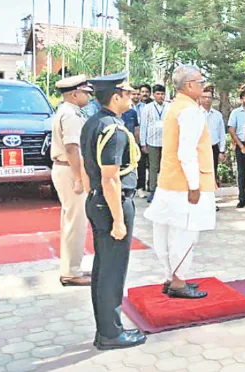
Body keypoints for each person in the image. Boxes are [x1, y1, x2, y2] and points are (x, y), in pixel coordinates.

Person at [80, 72, 145, 350]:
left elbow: (87, 166)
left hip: (98, 200)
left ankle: (105, 329)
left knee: (103, 269)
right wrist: (118, 219)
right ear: (116, 96)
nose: (132, 96)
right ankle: (111, 333)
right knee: (112, 272)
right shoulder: (113, 129)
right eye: (128, 93)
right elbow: (110, 177)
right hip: (112, 204)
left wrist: (93, 196)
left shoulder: (93, 122)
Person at [144, 64, 214, 299]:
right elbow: (187, 152)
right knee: (185, 233)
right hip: (185, 183)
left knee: (166, 231)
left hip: (169, 180)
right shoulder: (191, 111)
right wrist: (194, 186)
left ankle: (170, 277)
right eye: (201, 82)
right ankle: (177, 281)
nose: (203, 86)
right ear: (189, 85)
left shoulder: (176, 107)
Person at [51, 75, 93, 287]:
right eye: (85, 92)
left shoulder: (69, 111)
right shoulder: (71, 115)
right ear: (75, 93)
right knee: (76, 223)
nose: (88, 96)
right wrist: (79, 178)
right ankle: (71, 273)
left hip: (66, 169)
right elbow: (72, 148)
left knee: (72, 223)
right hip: (69, 171)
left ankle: (72, 267)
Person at [140, 84, 168, 203]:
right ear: (153, 95)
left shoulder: (169, 107)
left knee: (165, 167)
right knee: (153, 167)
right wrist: (143, 143)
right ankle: (152, 190)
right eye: (158, 94)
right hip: (152, 141)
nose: (160, 96)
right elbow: (143, 126)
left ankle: (165, 190)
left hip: (166, 141)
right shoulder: (148, 108)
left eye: (162, 94)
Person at [228, 85, 245, 208]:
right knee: (241, 173)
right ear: (242, 99)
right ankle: (241, 198)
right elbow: (232, 130)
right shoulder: (235, 113)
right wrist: (241, 145)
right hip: (241, 144)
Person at [200, 83, 227, 194]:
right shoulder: (195, 114)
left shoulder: (217, 115)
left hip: (213, 148)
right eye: (204, 97)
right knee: (200, 175)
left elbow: (222, 133)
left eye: (209, 97)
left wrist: (222, 150)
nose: (207, 100)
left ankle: (211, 200)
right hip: (199, 149)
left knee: (212, 174)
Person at [133, 84, 150, 195]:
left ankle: (141, 187)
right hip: (129, 139)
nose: (136, 96)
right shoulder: (126, 107)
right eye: (133, 94)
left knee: (142, 165)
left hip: (141, 139)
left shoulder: (145, 107)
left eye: (137, 94)